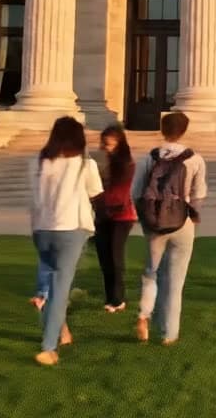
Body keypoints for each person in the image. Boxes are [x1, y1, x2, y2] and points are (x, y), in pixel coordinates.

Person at [29, 117, 104, 366]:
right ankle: (48, 346)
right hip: (71, 227)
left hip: (42, 228)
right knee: (61, 289)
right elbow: (95, 193)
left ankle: (58, 329)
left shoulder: (40, 162)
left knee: (50, 281)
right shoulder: (85, 164)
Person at [133, 112, 207, 346]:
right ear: (184, 130)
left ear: (162, 128)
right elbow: (199, 194)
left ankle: (144, 314)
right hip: (181, 220)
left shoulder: (150, 157)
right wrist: (193, 212)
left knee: (151, 271)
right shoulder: (194, 159)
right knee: (175, 281)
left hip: (154, 220)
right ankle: (169, 334)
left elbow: (135, 191)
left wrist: (144, 214)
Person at [94, 125, 137, 312]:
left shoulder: (127, 165)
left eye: (108, 144)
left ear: (119, 143)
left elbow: (122, 191)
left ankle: (118, 299)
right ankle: (110, 297)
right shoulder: (102, 162)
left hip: (121, 215)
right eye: (104, 143)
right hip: (103, 213)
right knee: (104, 257)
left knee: (115, 256)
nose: (105, 147)